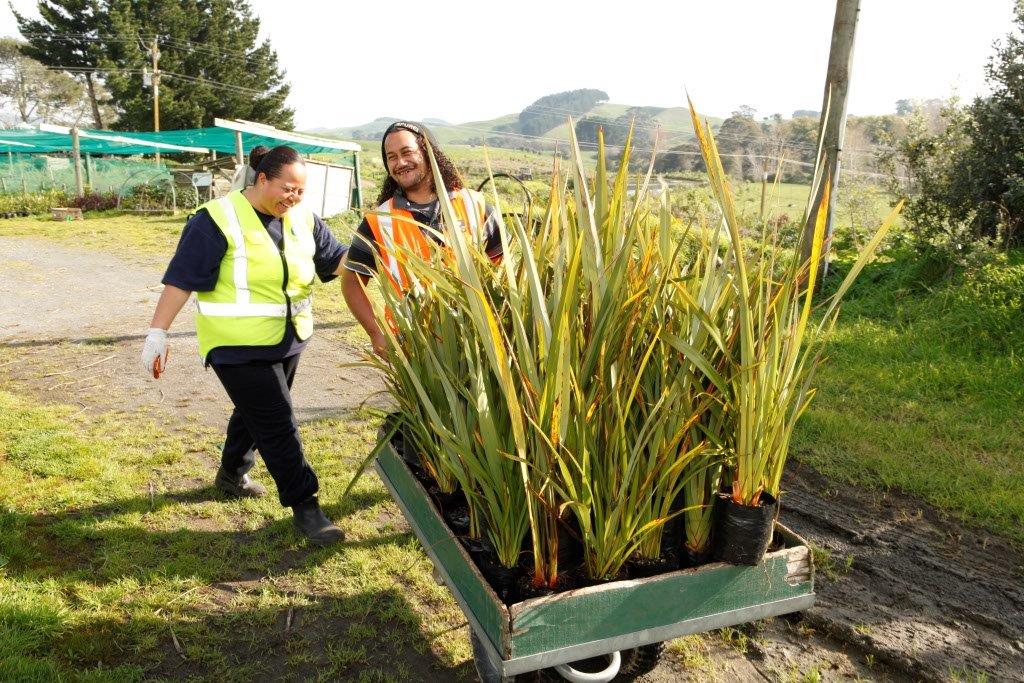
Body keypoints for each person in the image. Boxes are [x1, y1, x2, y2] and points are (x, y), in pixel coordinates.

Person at [140, 145, 348, 547]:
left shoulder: (303, 218)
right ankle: (307, 507)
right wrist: (158, 333)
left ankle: (231, 474)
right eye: (288, 188)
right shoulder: (215, 219)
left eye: (301, 191)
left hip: (287, 338)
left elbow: (335, 259)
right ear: (262, 179)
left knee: (257, 411)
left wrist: (382, 259)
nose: (294, 197)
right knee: (278, 420)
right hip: (235, 345)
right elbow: (181, 278)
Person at [342, 121, 503, 355]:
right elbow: (352, 282)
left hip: (476, 345)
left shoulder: (474, 206)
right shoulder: (379, 219)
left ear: (428, 153)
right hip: (412, 349)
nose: (400, 163)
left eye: (407, 152)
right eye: (392, 157)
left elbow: (504, 269)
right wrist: (376, 332)